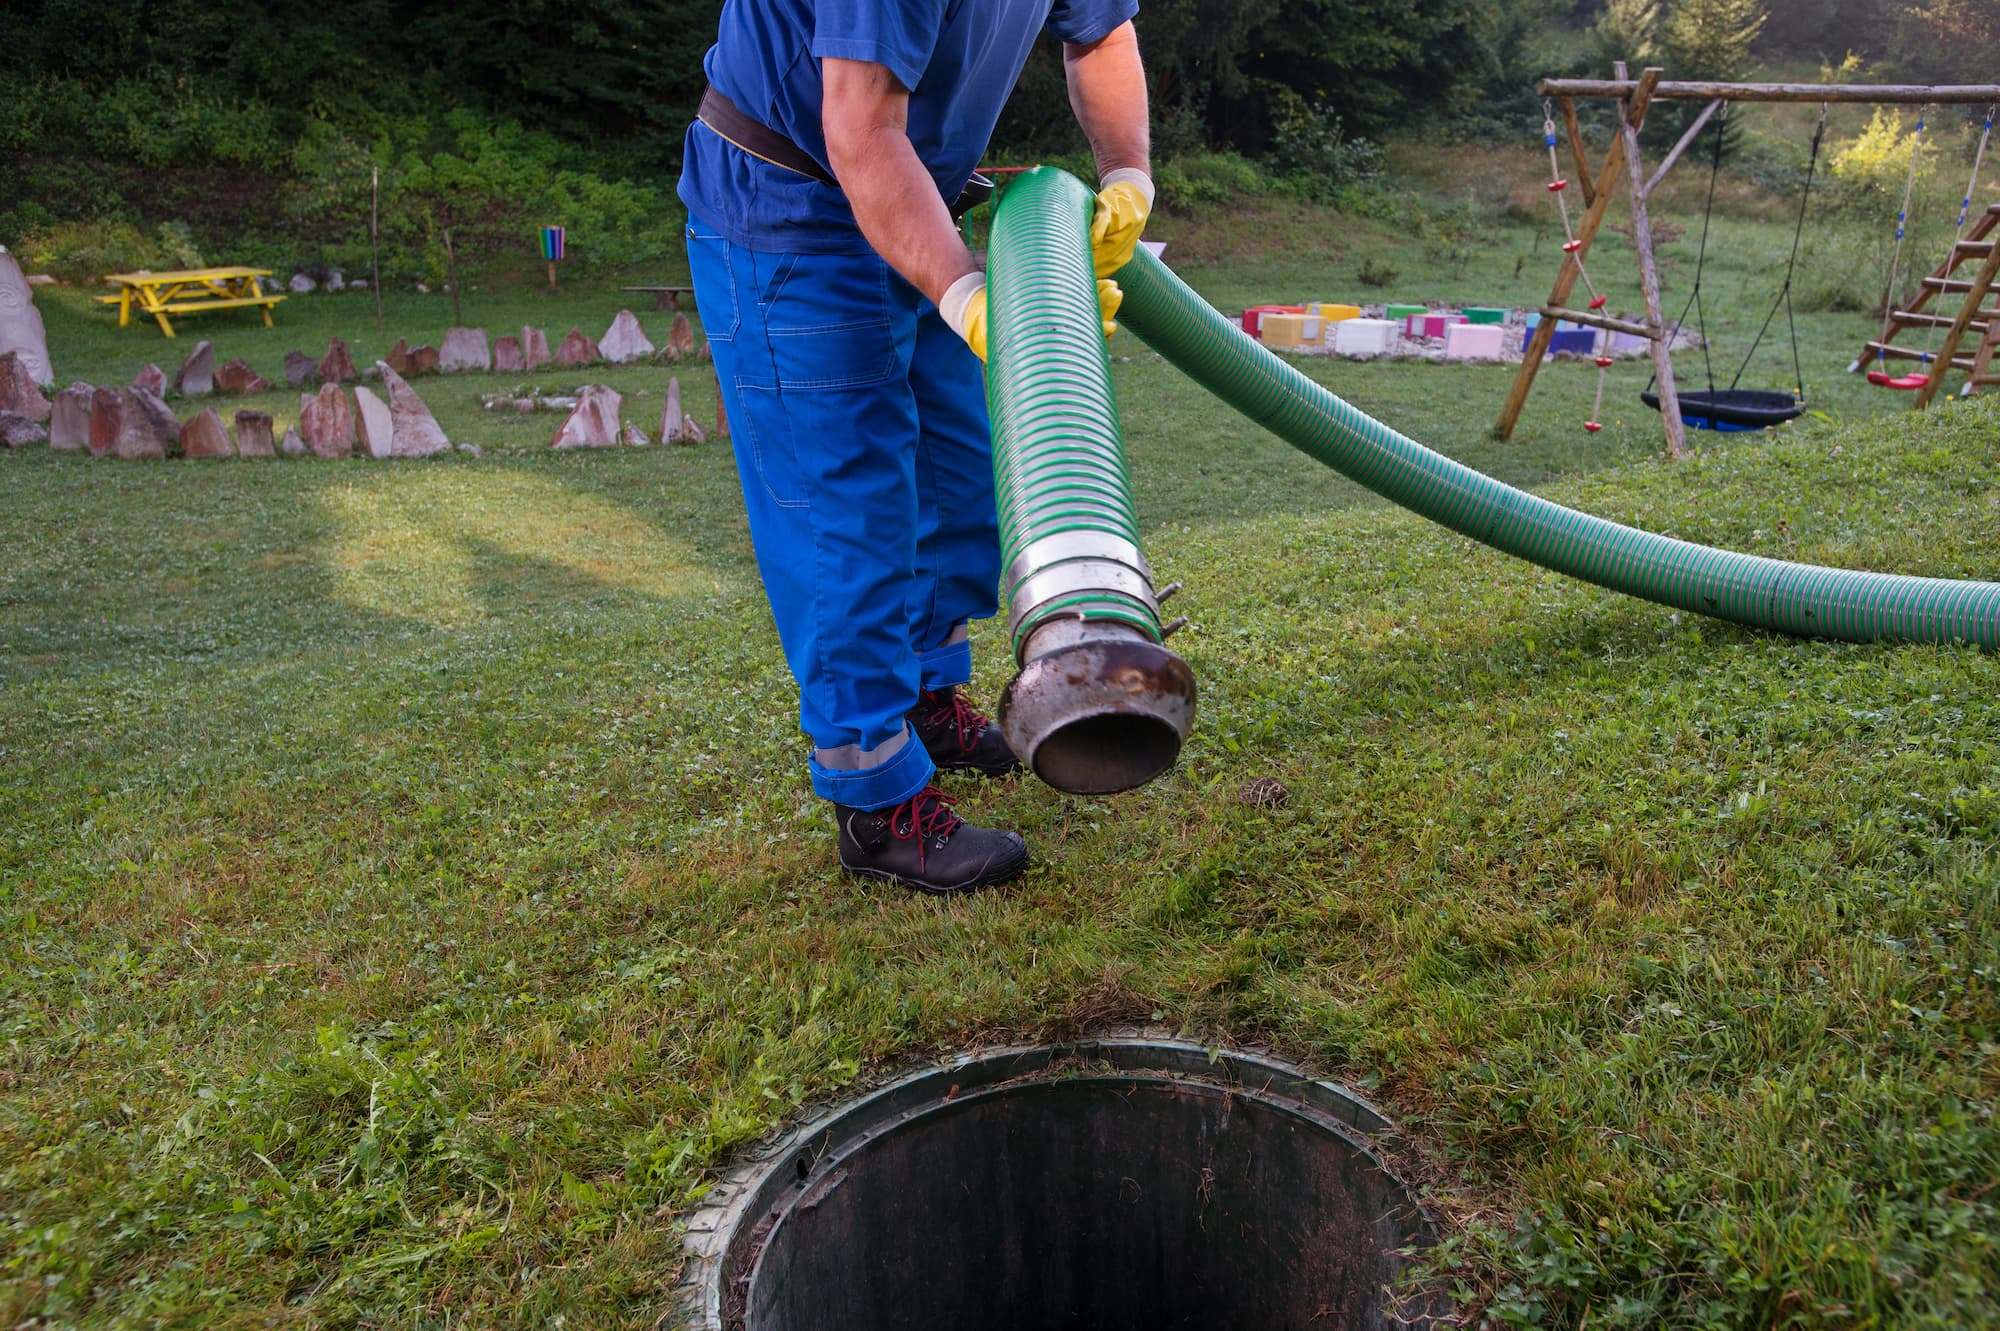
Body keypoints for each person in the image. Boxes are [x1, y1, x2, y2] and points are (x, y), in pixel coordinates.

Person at [679, 1, 1154, 896]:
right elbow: (858, 127)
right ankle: (877, 802)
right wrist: (964, 295)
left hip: (919, 192)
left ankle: (927, 700)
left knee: (955, 475)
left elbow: (1101, 33)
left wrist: (1128, 176)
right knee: (847, 511)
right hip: (796, 204)